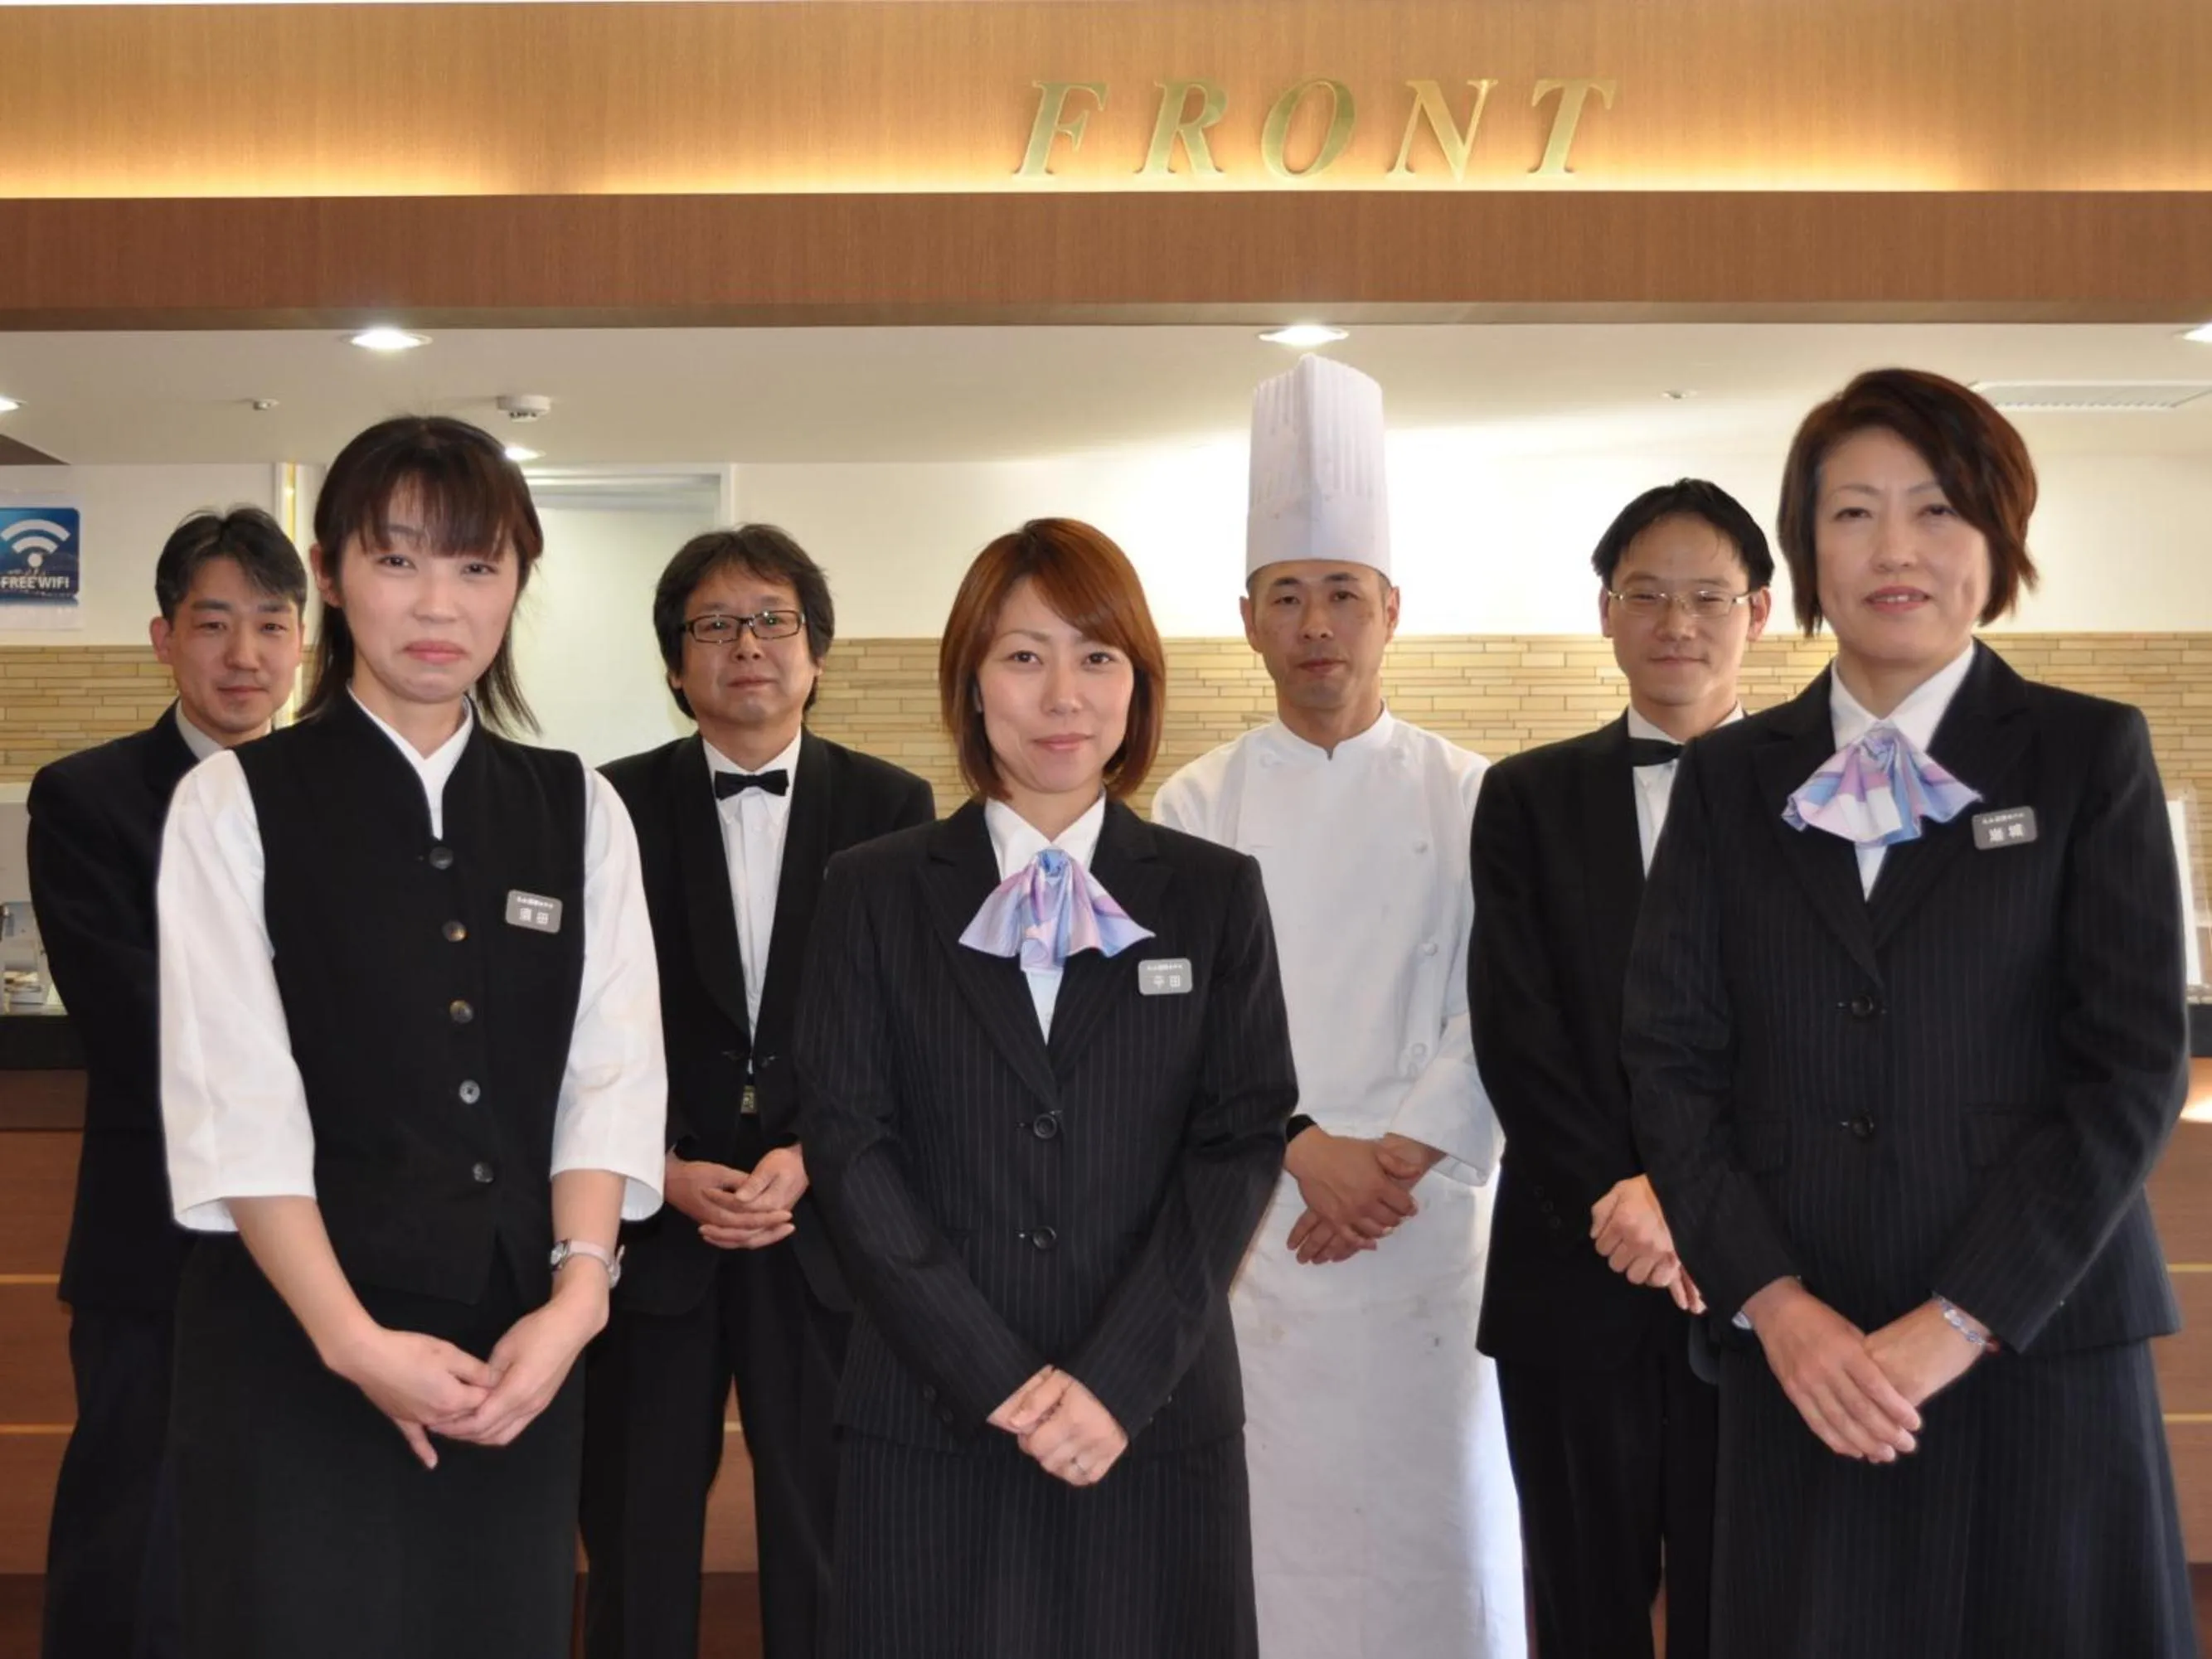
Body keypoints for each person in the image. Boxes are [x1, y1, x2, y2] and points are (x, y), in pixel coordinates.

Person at [1626, 368, 2197, 1658]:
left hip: (2034, 1345)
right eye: (1853, 515)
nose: (1895, 550)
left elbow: (2130, 1067)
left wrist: (1963, 1317)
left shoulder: (2085, 756)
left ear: (1996, 548)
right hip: (1808, 1357)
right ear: (1806, 556)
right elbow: (1669, 1059)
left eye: (1938, 511)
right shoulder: (1726, 781)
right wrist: (1774, 1303)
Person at [155, 415, 667, 1659]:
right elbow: (240, 1101)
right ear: (329, 575)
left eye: (478, 566)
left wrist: (575, 1305)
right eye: (397, 562)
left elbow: (607, 1070)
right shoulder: (234, 801)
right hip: (303, 1336)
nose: (439, 603)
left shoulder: (578, 805)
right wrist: (352, 1342)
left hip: (520, 1347)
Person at [796, 517, 1295, 1657]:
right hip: (930, 1417)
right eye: (1024, 656)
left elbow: (1240, 1139)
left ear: (1139, 683)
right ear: (972, 683)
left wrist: (1112, 1383)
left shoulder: (1215, 896)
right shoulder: (872, 892)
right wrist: (1000, 1377)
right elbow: (848, 1140)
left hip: (1153, 1418)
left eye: (1097, 655)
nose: (1063, 693)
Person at [1152, 354, 1526, 1659]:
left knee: (1448, 1534)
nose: (1318, 624)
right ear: (1248, 619)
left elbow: (1510, 1002)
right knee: (1272, 1538)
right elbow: (1181, 1023)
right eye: (1289, 596)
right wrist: (1303, 1149)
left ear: (1391, 612)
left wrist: (1403, 1153)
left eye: (1344, 596)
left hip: (1430, 1237)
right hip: (1265, 1229)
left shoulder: (1481, 797)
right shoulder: (1193, 807)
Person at [581, 526, 934, 1659]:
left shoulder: (893, 804)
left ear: (816, 652)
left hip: (821, 1228)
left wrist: (814, 1156)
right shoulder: (606, 806)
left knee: (828, 1522)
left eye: (774, 619)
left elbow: (905, 1018)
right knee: (635, 1527)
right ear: (677, 664)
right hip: (657, 1225)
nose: (747, 645)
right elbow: (579, 1020)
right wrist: (658, 1166)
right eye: (715, 625)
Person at [1470, 478, 1773, 1659]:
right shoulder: (1528, 797)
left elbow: (1821, 1037)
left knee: (1743, 1598)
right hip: (1569, 1266)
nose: (1677, 622)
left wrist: (1695, 1202)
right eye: (1646, 594)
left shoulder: (1823, 795)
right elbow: (1517, 1026)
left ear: (1760, 610)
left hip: (1759, 1284)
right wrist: (1621, 1194)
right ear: (1606, 612)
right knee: (1581, 1600)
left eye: (1708, 596)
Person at [31, 507, 307, 1659]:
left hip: (329, 1235)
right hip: (157, 1239)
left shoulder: (338, 794)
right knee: (133, 1530)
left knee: (291, 1531)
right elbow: (139, 1012)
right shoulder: (87, 797)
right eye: (214, 624)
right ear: (162, 638)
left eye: (271, 625)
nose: (243, 656)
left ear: (304, 642)